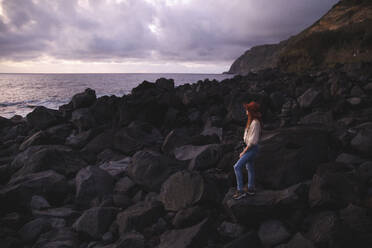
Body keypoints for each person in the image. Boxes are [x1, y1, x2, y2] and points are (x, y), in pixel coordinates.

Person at [232, 101, 263, 199]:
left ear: (251, 111)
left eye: (247, 109)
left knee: (237, 167)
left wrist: (243, 152)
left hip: (252, 149)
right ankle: (250, 188)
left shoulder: (255, 123)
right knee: (250, 167)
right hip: (251, 148)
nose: (246, 111)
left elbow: (252, 141)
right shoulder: (251, 121)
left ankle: (240, 191)